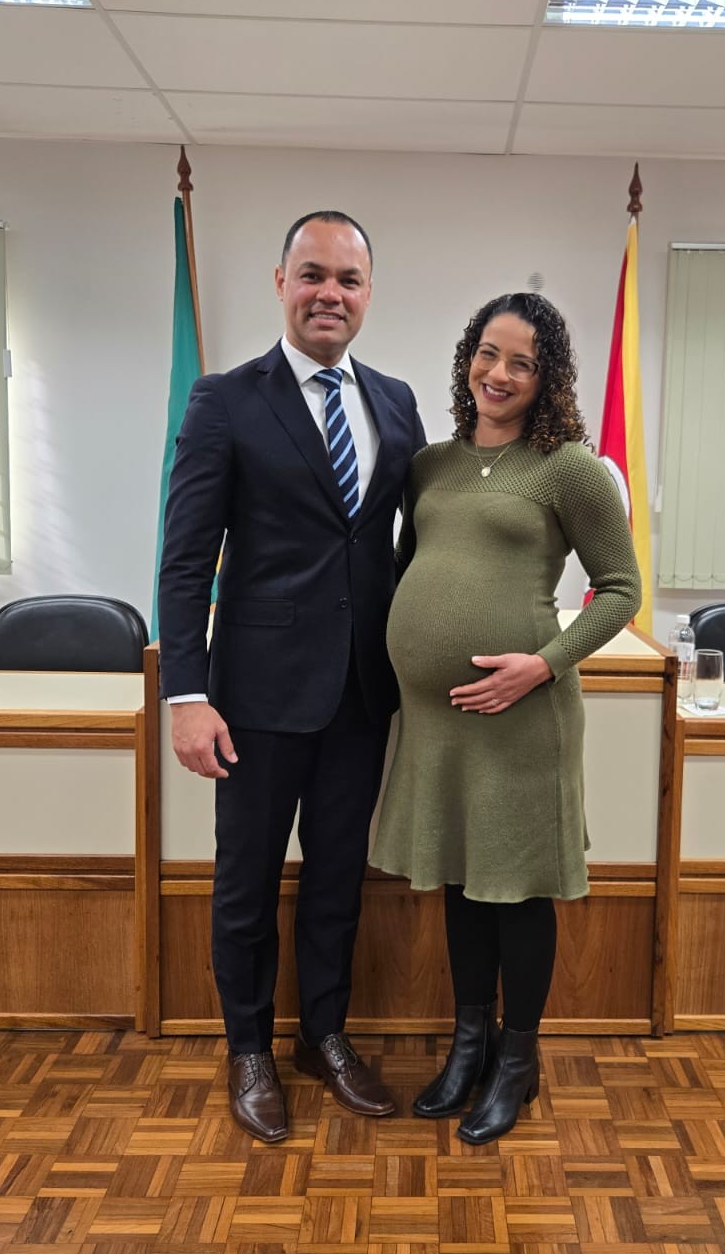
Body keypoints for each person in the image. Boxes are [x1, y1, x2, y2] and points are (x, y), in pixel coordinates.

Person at [157, 211, 425, 1144]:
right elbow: (185, 562)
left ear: (367, 293)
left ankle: (324, 1035)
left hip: (361, 695)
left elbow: (409, 546)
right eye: (312, 274)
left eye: (348, 279)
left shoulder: (396, 403)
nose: (329, 294)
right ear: (281, 283)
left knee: (337, 881)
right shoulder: (225, 401)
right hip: (255, 700)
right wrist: (186, 697)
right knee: (246, 884)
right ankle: (248, 1050)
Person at [370, 291, 640, 1144]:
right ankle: (469, 1046)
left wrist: (543, 663)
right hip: (441, 721)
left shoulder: (570, 469)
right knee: (462, 879)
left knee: (517, 890)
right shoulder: (429, 466)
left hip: (522, 715)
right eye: (489, 353)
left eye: (522, 362)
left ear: (545, 376)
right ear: (469, 357)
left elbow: (621, 591)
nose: (499, 373)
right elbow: (411, 570)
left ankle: (518, 1060)